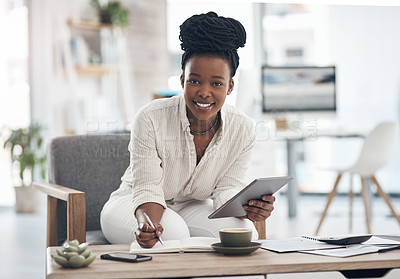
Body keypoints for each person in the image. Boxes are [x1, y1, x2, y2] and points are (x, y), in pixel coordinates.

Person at [100, 11, 276, 248]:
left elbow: (226, 188)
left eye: (216, 83)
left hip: (191, 207)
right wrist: (146, 223)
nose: (204, 92)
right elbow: (147, 186)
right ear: (182, 80)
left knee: (244, 234)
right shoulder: (150, 117)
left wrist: (248, 209)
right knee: (171, 233)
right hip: (132, 204)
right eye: (194, 81)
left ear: (230, 86)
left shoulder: (242, 127)